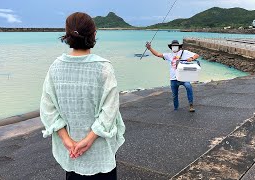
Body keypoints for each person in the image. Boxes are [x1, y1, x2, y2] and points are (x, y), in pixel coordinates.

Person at [40, 12, 125, 180]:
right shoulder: (103, 67)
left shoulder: (55, 67)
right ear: (93, 34)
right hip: (100, 151)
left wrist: (66, 140)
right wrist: (90, 138)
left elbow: (47, 108)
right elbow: (110, 110)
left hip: (71, 152)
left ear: (67, 34)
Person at [146, 40, 200, 112]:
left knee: (189, 87)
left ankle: (191, 105)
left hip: (184, 77)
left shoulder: (185, 52)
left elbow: (197, 55)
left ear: (179, 47)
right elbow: (158, 54)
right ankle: (176, 108)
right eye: (173, 46)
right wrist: (150, 48)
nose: (174, 47)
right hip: (173, 78)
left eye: (176, 46)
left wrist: (191, 58)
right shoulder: (169, 55)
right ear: (171, 47)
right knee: (174, 95)